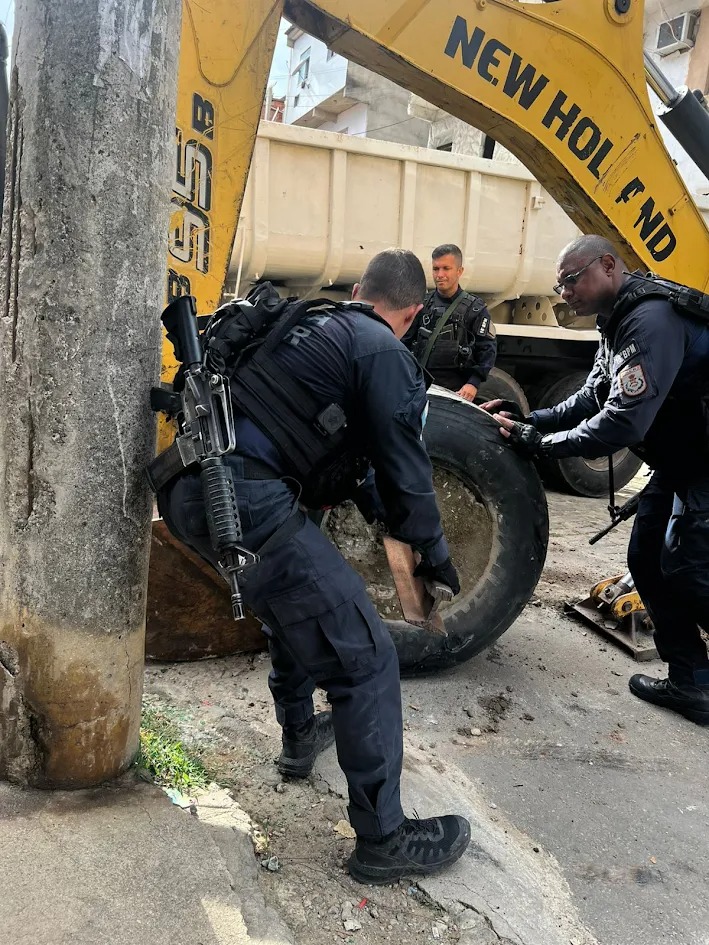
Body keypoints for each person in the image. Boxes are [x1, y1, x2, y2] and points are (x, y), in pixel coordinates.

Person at [157, 248, 471, 884]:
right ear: (410, 312)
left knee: (292, 607)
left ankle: (301, 736)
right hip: (246, 499)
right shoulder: (384, 351)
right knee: (367, 660)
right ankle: (384, 841)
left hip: (192, 490)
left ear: (359, 289)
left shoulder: (310, 326)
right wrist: (433, 553)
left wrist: (387, 516)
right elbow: (406, 472)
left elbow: (342, 460)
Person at [482, 234, 709, 726]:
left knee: (690, 566)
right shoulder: (617, 321)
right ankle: (692, 684)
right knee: (647, 558)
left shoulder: (650, 320)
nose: (563, 292)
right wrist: (532, 419)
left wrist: (539, 445)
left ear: (607, 266)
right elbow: (591, 399)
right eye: (558, 284)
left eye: (570, 280)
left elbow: (622, 425)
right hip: (685, 458)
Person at [403, 243, 497, 401]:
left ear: (460, 271)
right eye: (435, 269)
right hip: (419, 388)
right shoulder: (421, 304)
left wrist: (473, 383)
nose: (439, 274)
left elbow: (487, 350)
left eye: (446, 268)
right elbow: (404, 342)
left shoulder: (475, 309)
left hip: (455, 393)